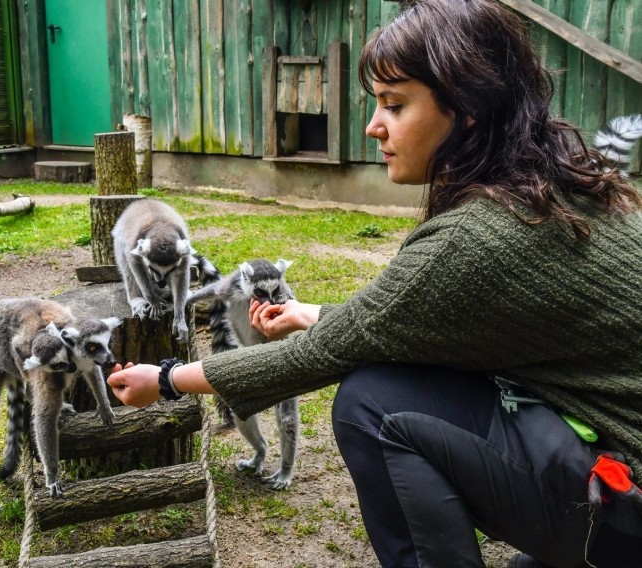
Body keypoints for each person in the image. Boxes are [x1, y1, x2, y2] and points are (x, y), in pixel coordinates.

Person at [107, 0, 642, 566]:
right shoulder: (556, 188)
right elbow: (407, 322)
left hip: (626, 497)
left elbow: (319, 357)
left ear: (466, 110)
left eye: (394, 104)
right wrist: (308, 312)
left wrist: (163, 379)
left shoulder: (483, 236)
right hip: (614, 455)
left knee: (374, 402)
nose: (373, 125)